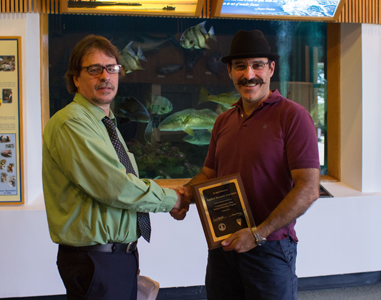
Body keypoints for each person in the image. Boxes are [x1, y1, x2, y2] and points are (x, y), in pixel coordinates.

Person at [171, 30, 320, 300]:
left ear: (271, 68)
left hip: (270, 249)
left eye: (257, 65)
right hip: (224, 248)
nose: (248, 74)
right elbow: (208, 174)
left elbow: (309, 188)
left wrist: (257, 234)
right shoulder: (223, 121)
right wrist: (183, 196)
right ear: (229, 71)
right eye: (240, 66)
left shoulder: (294, 116)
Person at [42, 35, 188, 300]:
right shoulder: (72, 123)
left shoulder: (104, 122)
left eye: (112, 68)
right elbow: (116, 186)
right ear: (76, 78)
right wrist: (174, 199)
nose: (105, 77)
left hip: (114, 257)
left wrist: (127, 252)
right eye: (94, 69)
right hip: (97, 260)